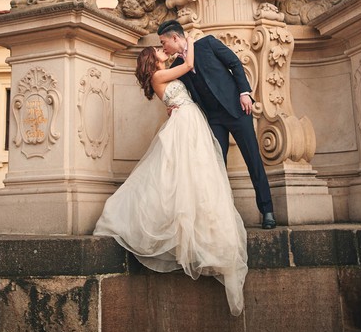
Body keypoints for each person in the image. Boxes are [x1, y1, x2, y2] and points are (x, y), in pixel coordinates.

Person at [93, 36, 249, 316]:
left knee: (193, 176)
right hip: (185, 124)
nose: (162, 49)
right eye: (158, 49)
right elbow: (189, 65)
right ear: (151, 60)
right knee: (182, 174)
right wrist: (186, 40)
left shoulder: (161, 75)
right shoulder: (159, 73)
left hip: (189, 121)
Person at [157, 20, 276, 230]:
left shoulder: (208, 44)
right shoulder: (177, 66)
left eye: (163, 42)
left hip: (238, 111)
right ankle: (223, 217)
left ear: (175, 37)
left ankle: (267, 211)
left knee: (253, 159)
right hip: (212, 120)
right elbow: (176, 91)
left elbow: (235, 64)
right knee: (216, 167)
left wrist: (244, 93)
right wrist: (172, 105)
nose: (163, 47)